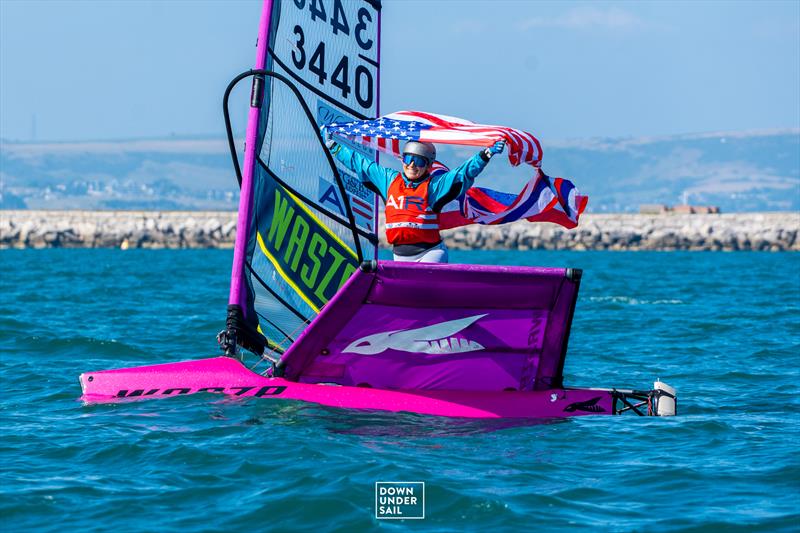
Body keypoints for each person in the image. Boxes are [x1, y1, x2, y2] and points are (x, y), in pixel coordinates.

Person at [322, 131, 505, 263]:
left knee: (426, 293)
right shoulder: (389, 180)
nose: (411, 165)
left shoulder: (435, 186)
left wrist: (485, 154)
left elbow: (462, 173)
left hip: (431, 253)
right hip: (400, 256)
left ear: (428, 165)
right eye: (407, 158)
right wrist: (334, 147)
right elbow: (360, 163)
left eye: (418, 161)